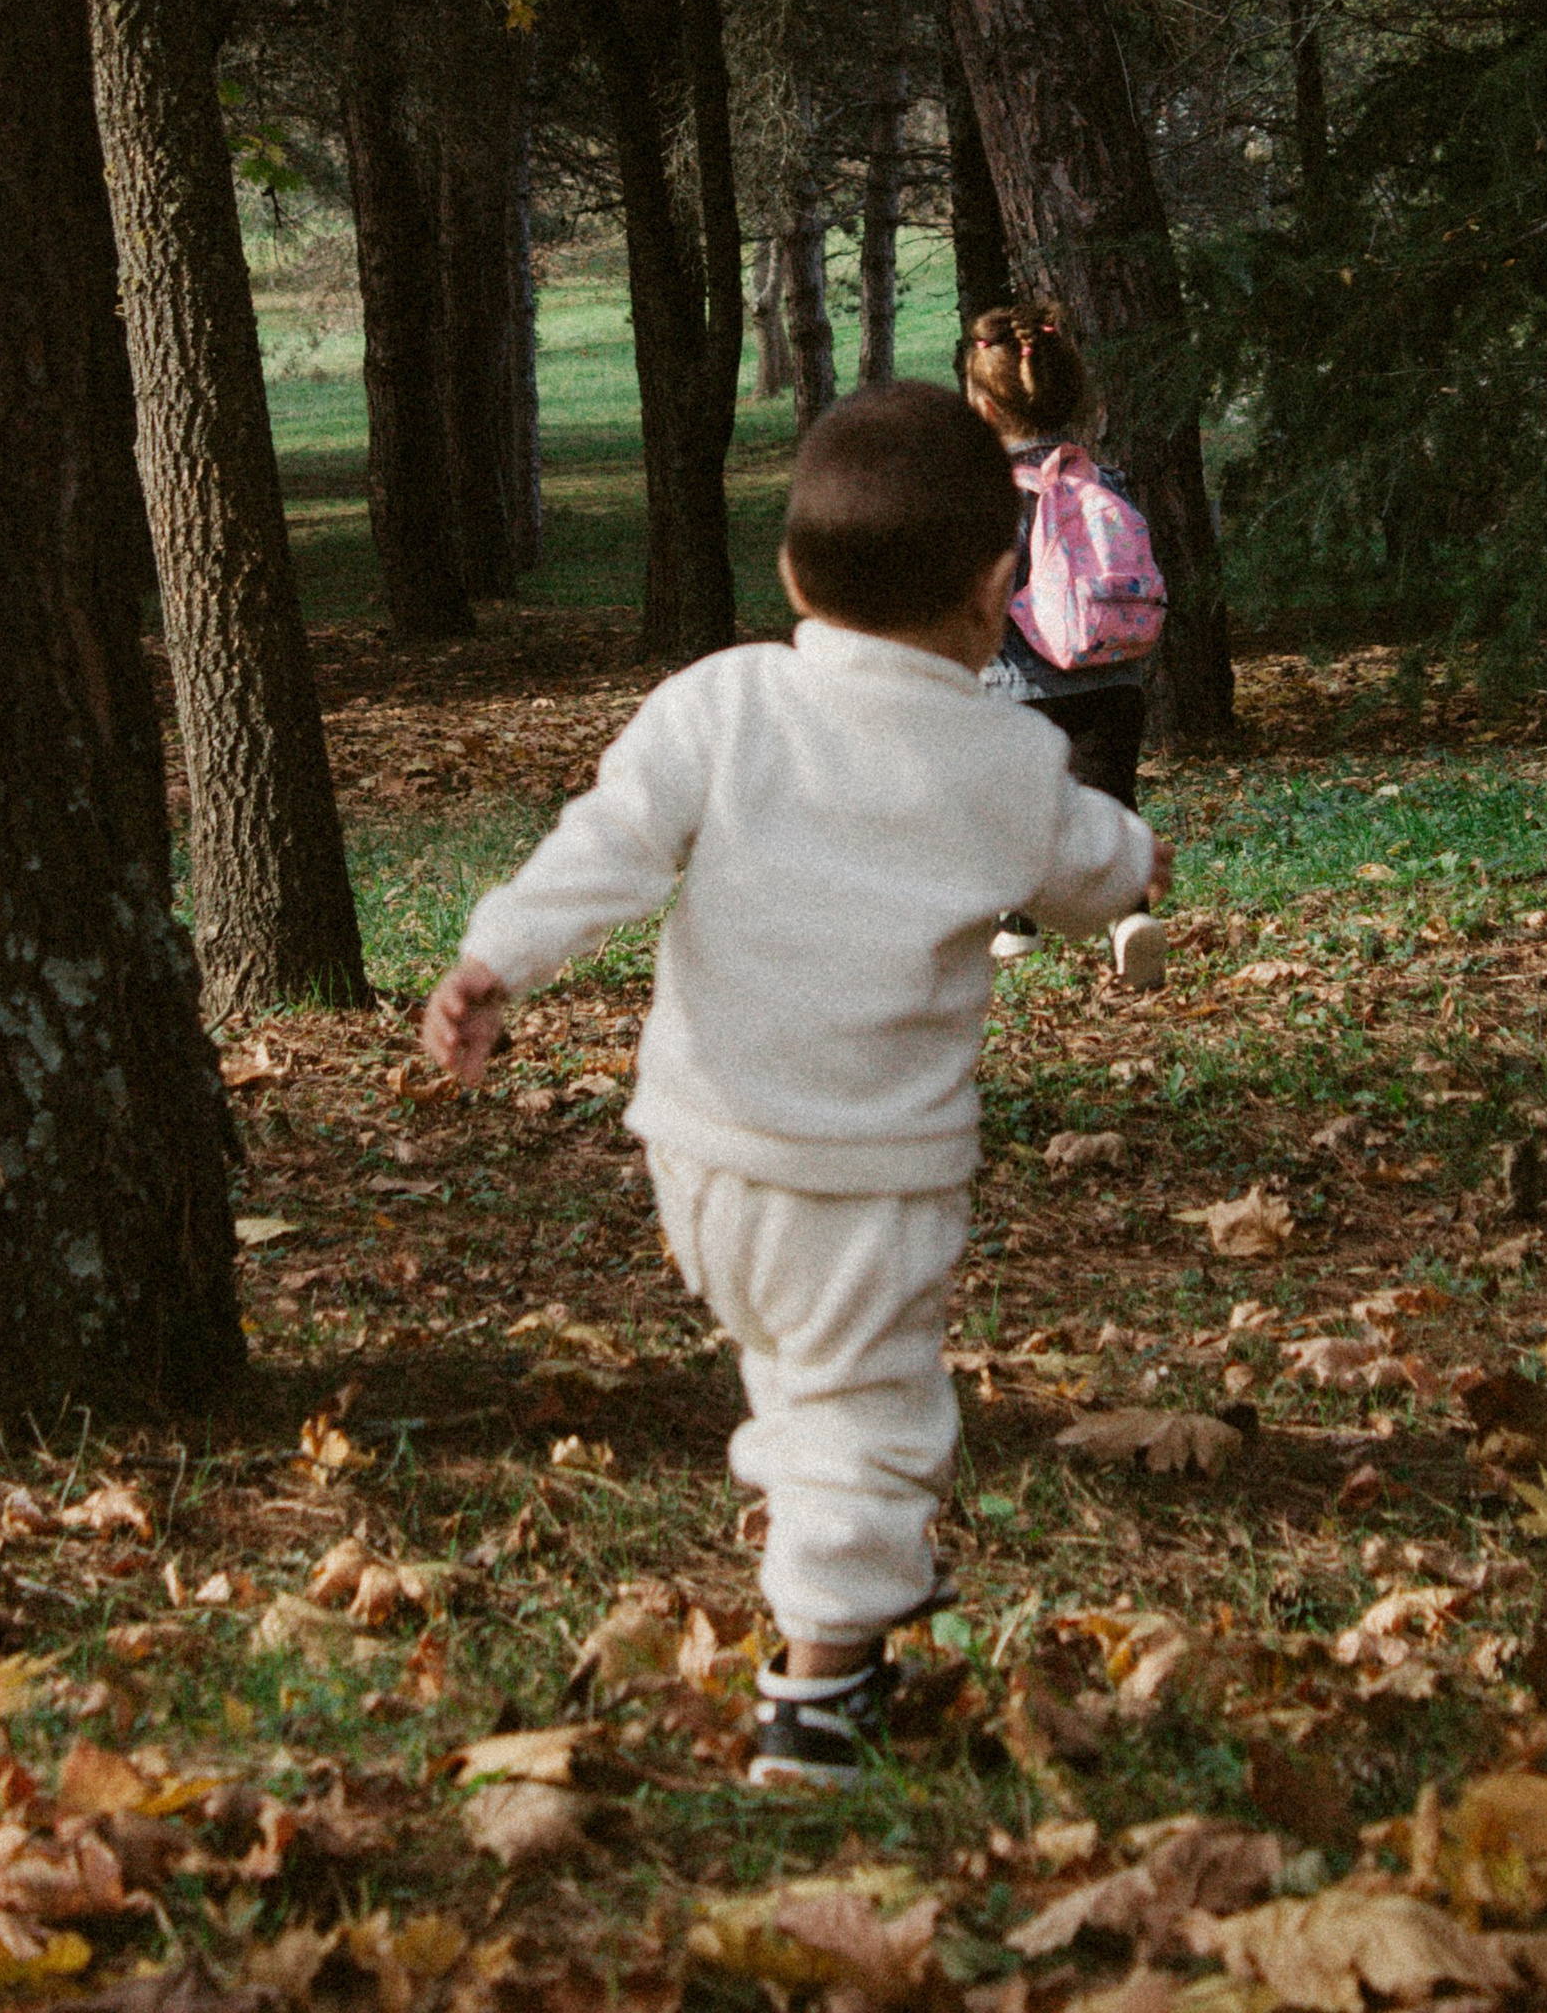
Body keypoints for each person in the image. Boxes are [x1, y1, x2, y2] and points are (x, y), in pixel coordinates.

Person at [419, 381, 1169, 1791]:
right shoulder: (1006, 755)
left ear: (788, 572)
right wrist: (1140, 864)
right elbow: (1089, 866)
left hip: (701, 1154)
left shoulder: (722, 701)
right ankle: (821, 1689)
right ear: (997, 590)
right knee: (869, 1419)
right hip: (864, 1176)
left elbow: (609, 841)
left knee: (799, 1373)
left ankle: (840, 1571)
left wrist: (495, 959)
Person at [960, 302, 1168, 991]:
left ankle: (1016, 921)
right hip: (1114, 675)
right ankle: (1130, 920)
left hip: (1016, 686)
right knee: (1110, 806)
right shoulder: (1107, 482)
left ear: (984, 408)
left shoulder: (987, 496)